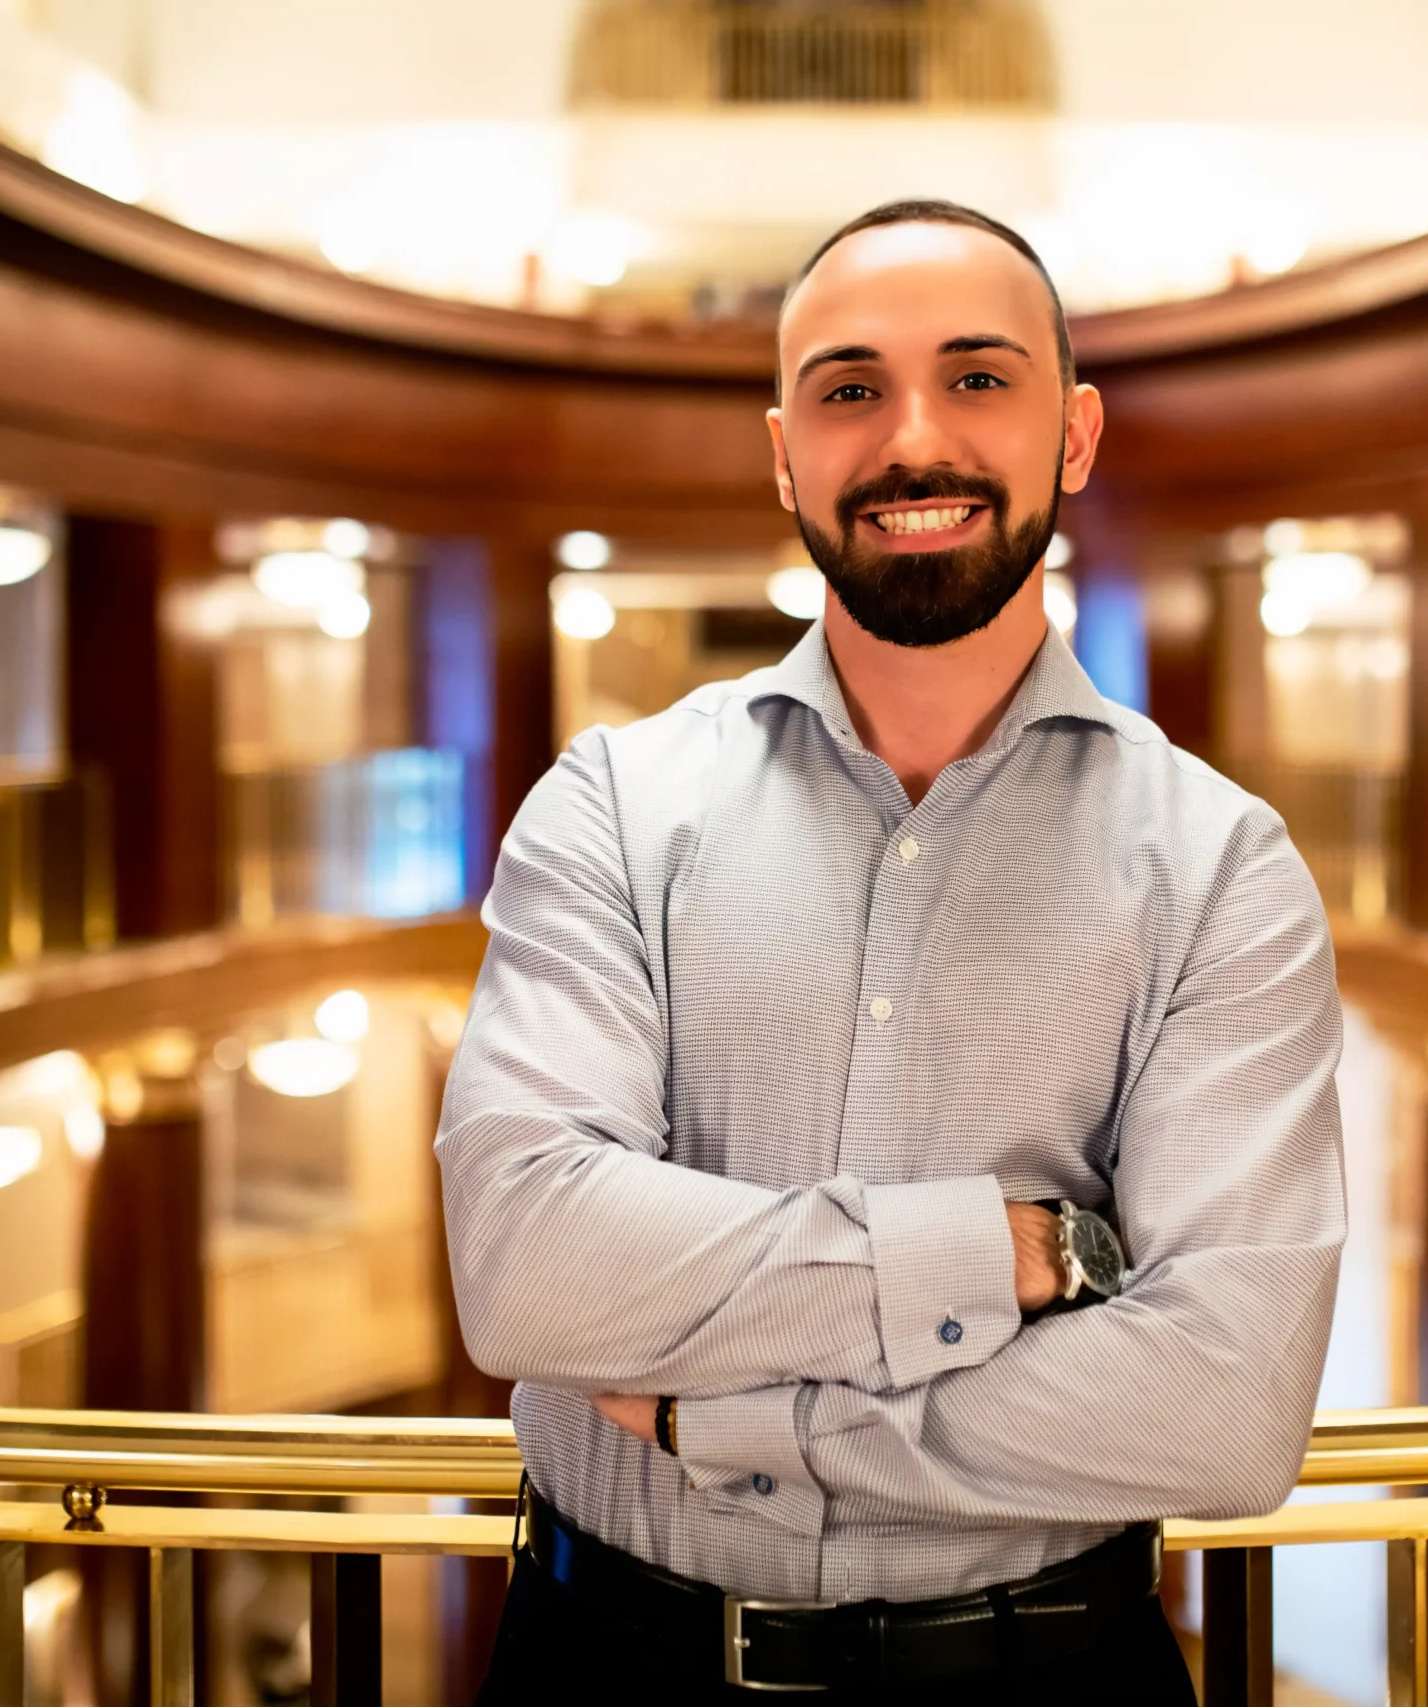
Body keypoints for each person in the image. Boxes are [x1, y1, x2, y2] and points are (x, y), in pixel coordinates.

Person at [438, 198, 1347, 1703]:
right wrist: (992, 1254)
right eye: (851, 388)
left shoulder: (1219, 865)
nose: (913, 439)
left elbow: (1222, 1403)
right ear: (784, 448)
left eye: (979, 378)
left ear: (1075, 432)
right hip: (611, 1662)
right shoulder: (608, 804)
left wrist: (727, 1417)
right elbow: (528, 1266)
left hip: (1047, 1672)